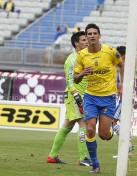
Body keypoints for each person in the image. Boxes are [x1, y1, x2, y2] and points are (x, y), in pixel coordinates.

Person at [74, 23, 124, 173]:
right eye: (89, 34)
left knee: (103, 134)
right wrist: (83, 73)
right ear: (87, 37)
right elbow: (76, 79)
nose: (92, 36)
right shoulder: (82, 56)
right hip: (90, 97)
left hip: (108, 97)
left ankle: (109, 131)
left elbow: (122, 65)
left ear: (99, 36)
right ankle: (95, 165)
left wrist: (122, 85)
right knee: (89, 129)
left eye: (95, 33)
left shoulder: (110, 52)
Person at [47, 31, 92, 166]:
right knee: (84, 125)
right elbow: (69, 81)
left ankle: (52, 156)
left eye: (86, 39)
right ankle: (84, 158)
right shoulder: (72, 59)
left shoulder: (84, 57)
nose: (87, 41)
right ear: (76, 43)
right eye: (84, 40)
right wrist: (77, 96)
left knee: (67, 126)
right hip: (75, 96)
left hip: (81, 95)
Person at [112, 46, 134, 159]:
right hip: (126, 98)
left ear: (123, 56)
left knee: (113, 121)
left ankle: (128, 146)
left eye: (118, 55)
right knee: (122, 123)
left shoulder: (124, 65)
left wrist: (121, 89)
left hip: (126, 98)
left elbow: (127, 82)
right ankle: (126, 151)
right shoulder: (126, 65)